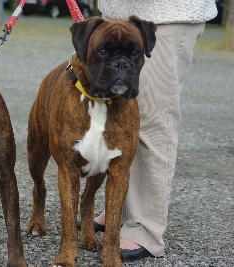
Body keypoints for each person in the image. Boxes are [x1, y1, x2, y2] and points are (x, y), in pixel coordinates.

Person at [79, 0, 218, 261]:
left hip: (168, 11)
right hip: (119, 11)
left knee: (154, 118)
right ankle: (121, 210)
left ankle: (146, 227)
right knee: (119, 115)